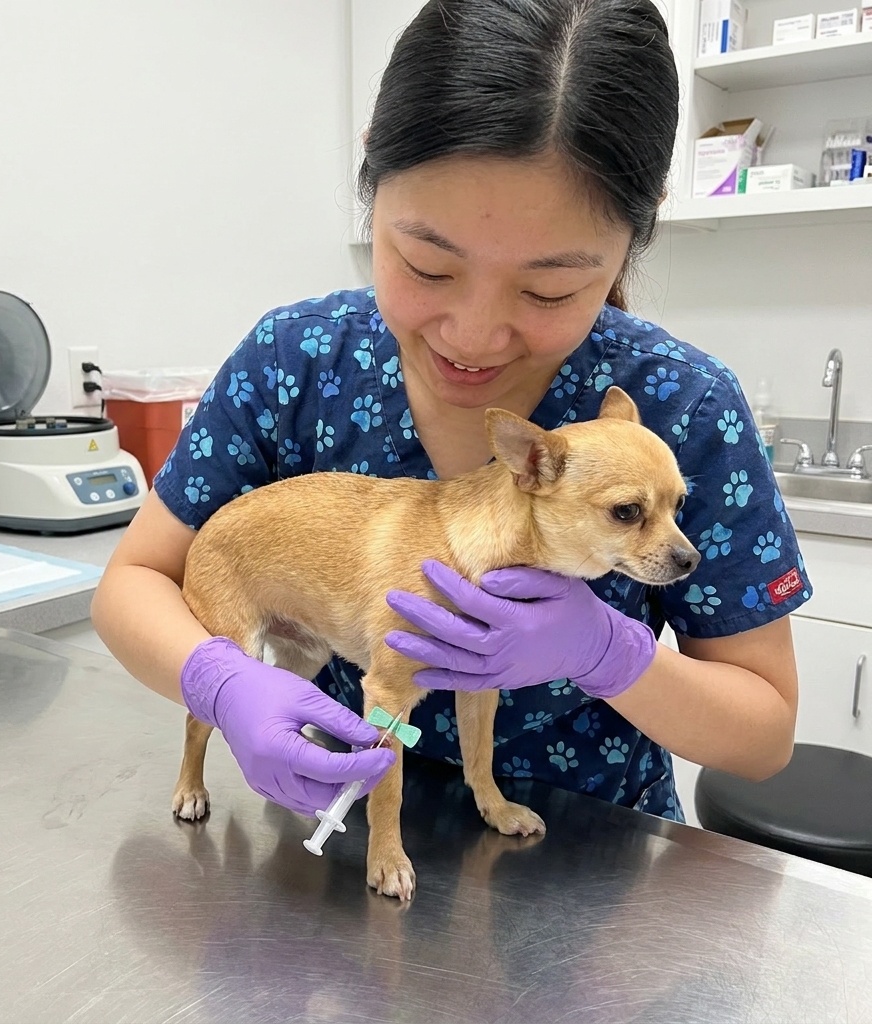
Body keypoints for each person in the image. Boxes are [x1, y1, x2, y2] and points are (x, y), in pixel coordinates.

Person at [92, 0, 811, 824]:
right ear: (372, 182)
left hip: (595, 857)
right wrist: (220, 681)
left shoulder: (681, 408)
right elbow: (133, 583)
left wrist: (610, 653)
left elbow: (765, 736)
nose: (473, 335)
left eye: (549, 288)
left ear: (638, 233)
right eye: (427, 265)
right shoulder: (297, 360)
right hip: (327, 824)